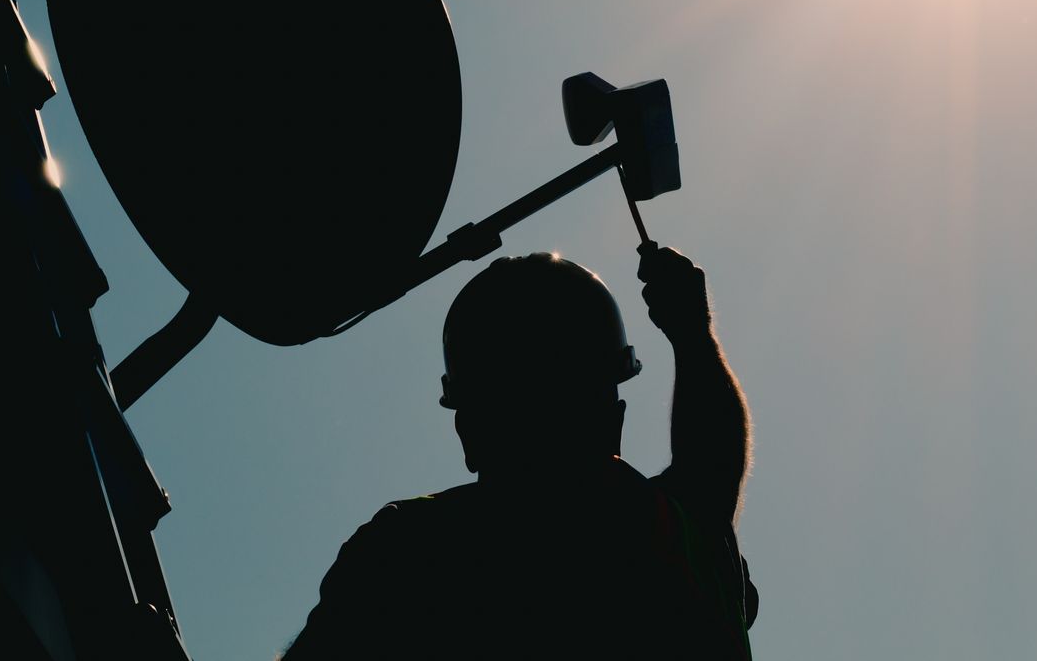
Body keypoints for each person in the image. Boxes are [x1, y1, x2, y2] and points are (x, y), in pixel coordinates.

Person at [283, 243, 757, 658]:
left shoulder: (402, 555)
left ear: (468, 431)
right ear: (612, 420)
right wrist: (692, 331)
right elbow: (712, 462)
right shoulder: (675, 540)